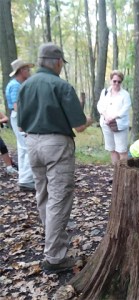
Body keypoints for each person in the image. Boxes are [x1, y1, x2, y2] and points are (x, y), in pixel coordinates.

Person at [17, 42, 92, 273]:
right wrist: (89, 119)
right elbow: (79, 126)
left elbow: (20, 123)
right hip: (56, 145)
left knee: (43, 194)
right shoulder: (61, 86)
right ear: (57, 62)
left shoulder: (25, 85)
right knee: (58, 198)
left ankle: (54, 241)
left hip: (32, 143)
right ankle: (55, 258)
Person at [5, 58, 35, 191]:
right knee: (28, 147)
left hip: (18, 117)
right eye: (27, 69)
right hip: (20, 118)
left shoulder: (16, 84)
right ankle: (27, 180)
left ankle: (25, 178)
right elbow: (17, 106)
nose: (29, 72)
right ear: (22, 71)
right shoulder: (16, 86)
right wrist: (25, 122)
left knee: (23, 148)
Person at [97, 70, 132, 165]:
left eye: (119, 81)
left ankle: (124, 172)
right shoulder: (105, 92)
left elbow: (125, 108)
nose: (116, 83)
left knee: (122, 150)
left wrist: (114, 117)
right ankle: (115, 171)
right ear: (111, 80)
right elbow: (100, 105)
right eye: (114, 81)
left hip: (119, 125)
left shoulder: (125, 95)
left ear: (121, 82)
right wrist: (106, 116)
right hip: (106, 123)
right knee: (112, 149)